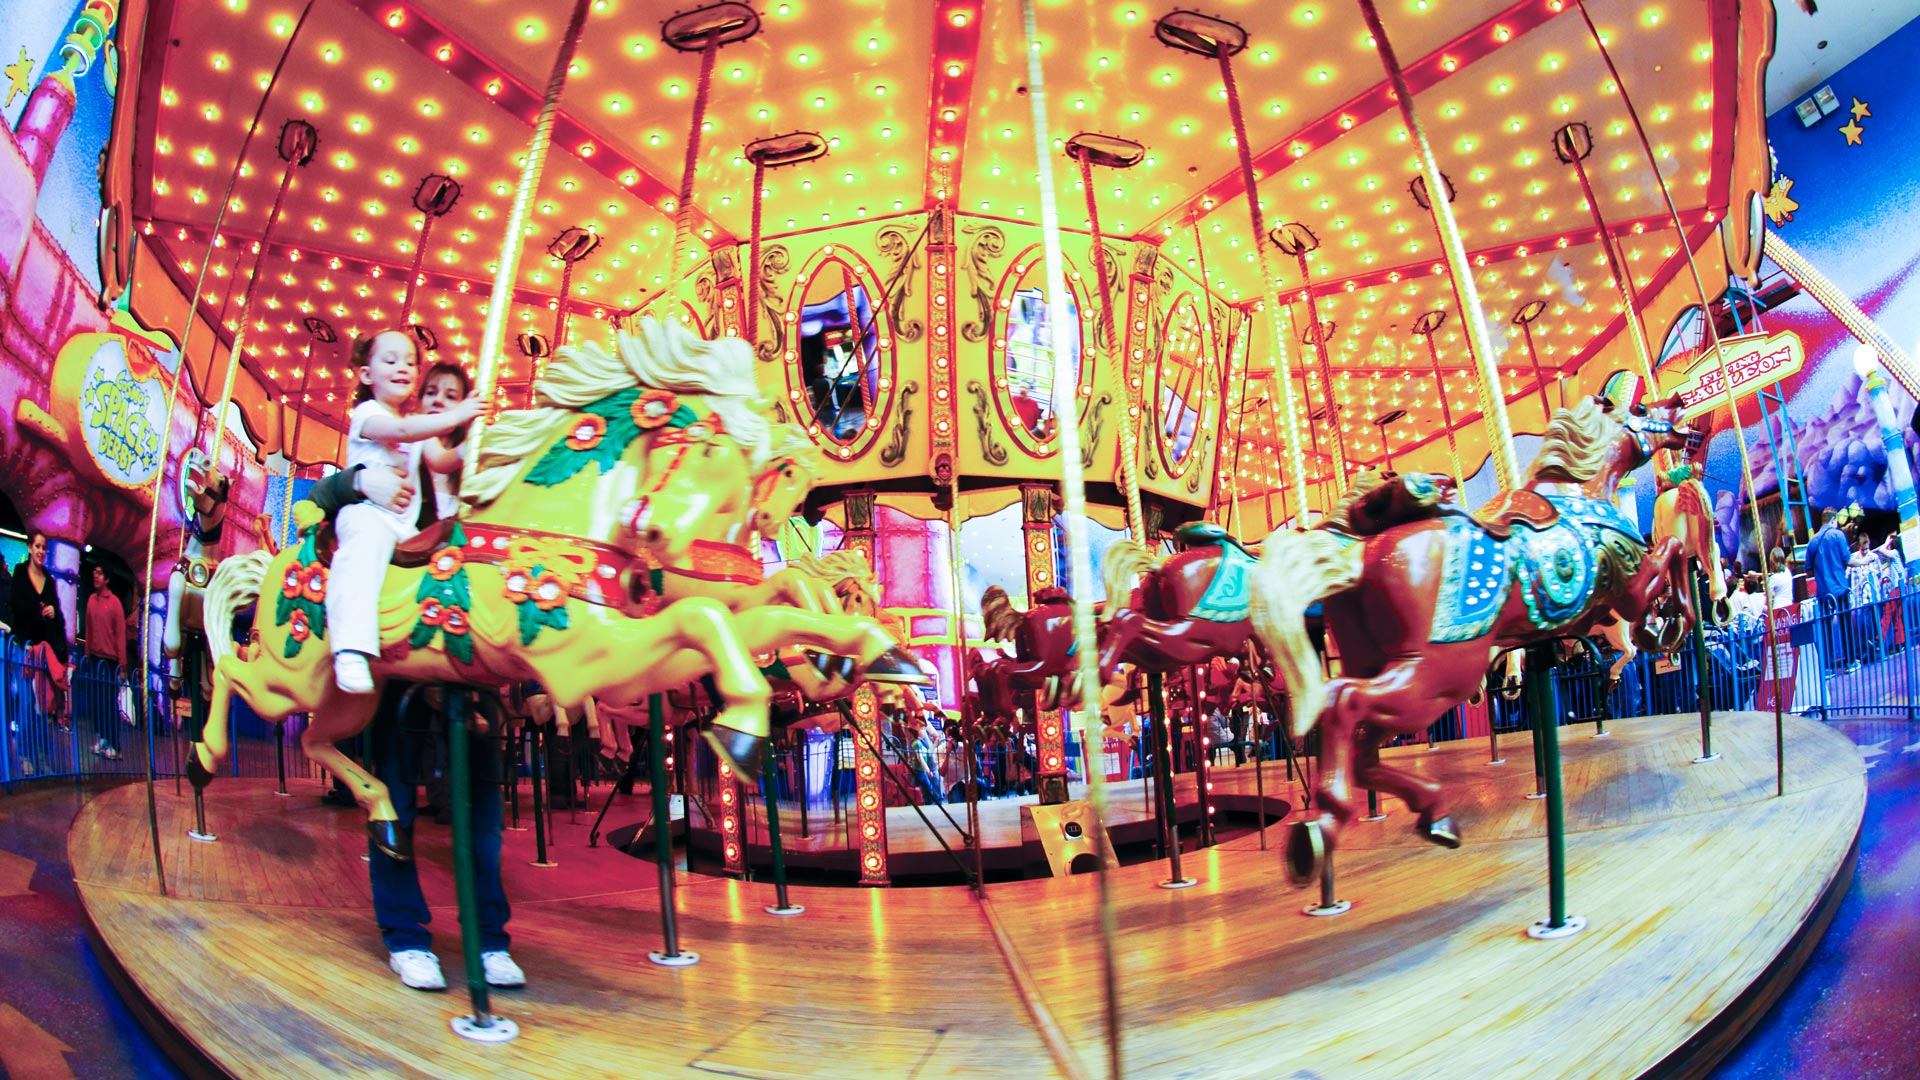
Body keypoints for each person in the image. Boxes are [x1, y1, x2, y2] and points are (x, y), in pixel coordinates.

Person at [327, 330, 481, 694]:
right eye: (391, 360)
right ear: (366, 375)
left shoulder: (418, 426)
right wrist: (458, 413)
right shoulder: (368, 414)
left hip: (404, 527)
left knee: (443, 566)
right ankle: (350, 648)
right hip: (366, 513)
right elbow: (402, 430)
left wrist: (473, 443)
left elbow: (442, 460)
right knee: (365, 549)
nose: (403, 368)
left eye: (411, 362)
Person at [9, 531, 68, 724]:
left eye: (44, 548)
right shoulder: (20, 571)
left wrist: (53, 612)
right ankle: (24, 739)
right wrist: (37, 609)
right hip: (22, 645)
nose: (41, 551)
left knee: (42, 700)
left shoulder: (49, 581)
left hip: (42, 650)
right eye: (37, 546)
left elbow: (59, 618)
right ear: (29, 548)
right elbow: (15, 604)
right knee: (25, 697)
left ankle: (37, 739)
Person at [79, 564, 125, 760]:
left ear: (107, 579)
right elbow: (88, 630)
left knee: (108, 703)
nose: (95, 575)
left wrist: (122, 666)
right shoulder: (91, 600)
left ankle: (114, 744)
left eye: (99, 573)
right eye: (94, 572)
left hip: (110, 661)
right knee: (95, 702)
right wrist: (86, 656)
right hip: (94, 659)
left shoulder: (115, 603)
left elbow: (120, 635)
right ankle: (102, 738)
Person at [1806, 509, 1855, 671]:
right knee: (1845, 624)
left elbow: (1808, 569)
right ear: (1834, 520)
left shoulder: (1812, 542)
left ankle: (1827, 667)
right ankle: (1850, 662)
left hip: (1823, 592)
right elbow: (1848, 560)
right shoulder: (1838, 535)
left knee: (1825, 629)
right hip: (1840, 587)